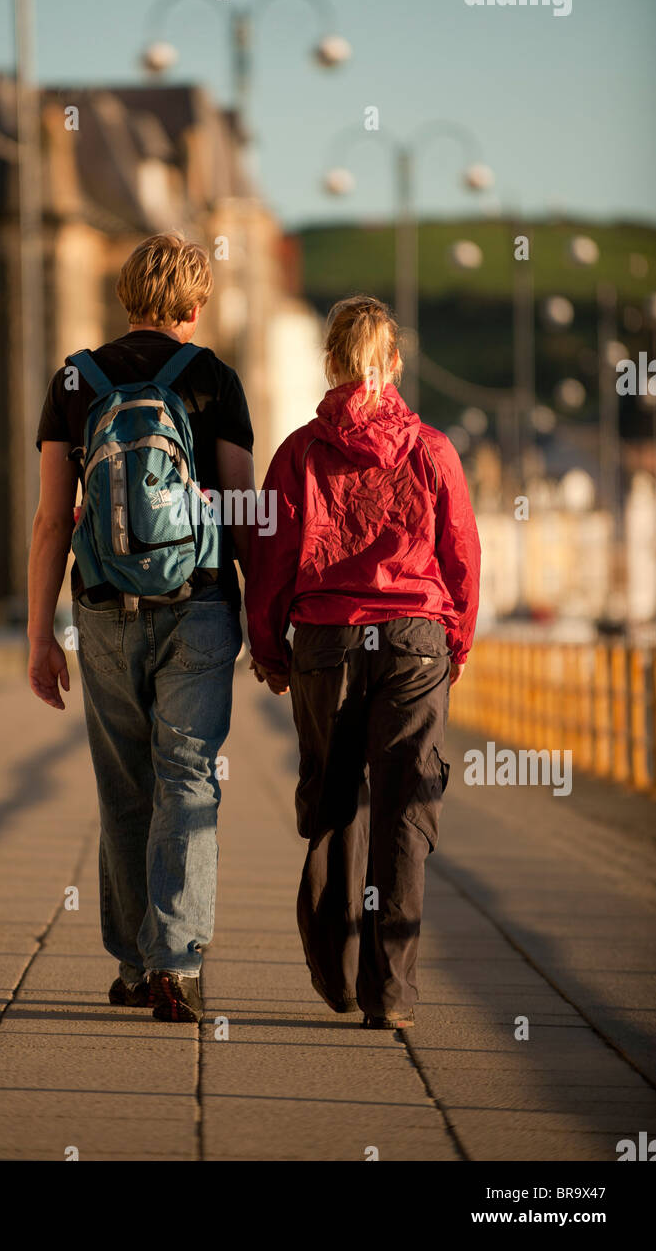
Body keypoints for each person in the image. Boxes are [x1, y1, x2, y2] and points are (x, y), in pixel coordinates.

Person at [27, 232, 254, 1023]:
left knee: (124, 787)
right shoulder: (213, 379)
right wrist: (263, 616)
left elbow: (53, 520)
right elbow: (238, 511)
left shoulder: (74, 377)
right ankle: (177, 964)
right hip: (198, 606)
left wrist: (37, 637)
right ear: (194, 307)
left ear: (124, 297)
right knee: (187, 780)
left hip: (100, 609)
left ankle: (131, 964)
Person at [245, 295, 480, 1029]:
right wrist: (456, 644)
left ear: (331, 363)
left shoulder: (299, 453)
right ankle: (392, 993)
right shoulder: (432, 449)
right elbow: (462, 557)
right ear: (396, 362)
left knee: (332, 802)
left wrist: (267, 647)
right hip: (413, 641)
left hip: (325, 643)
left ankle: (336, 973)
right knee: (405, 811)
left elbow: (270, 557)